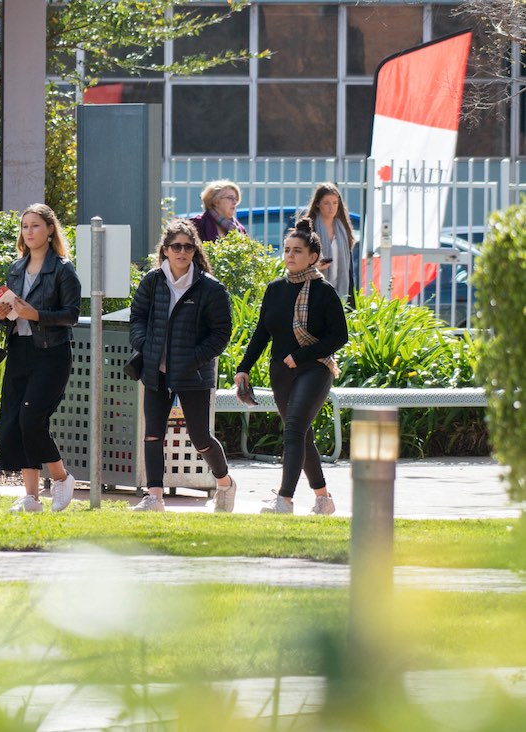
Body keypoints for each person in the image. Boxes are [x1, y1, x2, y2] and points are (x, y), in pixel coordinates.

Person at [234, 218, 348, 515]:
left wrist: (302, 355)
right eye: (287, 250)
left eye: (297, 250)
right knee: (301, 434)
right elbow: (262, 332)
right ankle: (323, 499)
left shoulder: (324, 291)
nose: (290, 255)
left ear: (313, 256)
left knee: (295, 428)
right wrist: (244, 367)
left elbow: (340, 336)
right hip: (281, 372)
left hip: (315, 369)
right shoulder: (275, 289)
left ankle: (284, 500)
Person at [128, 219, 237, 512]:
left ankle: (225, 482)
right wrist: (145, 344)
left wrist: (193, 358)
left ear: (195, 251)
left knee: (200, 438)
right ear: (165, 250)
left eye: (188, 247)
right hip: (156, 370)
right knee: (153, 434)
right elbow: (137, 318)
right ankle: (155, 497)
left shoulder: (210, 288)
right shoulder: (152, 281)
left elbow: (221, 333)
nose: (182, 252)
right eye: (176, 246)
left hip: (193, 373)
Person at [0, 203, 81, 513]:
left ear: (50, 230)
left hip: (51, 353)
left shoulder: (63, 269)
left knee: (31, 419)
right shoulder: (16, 268)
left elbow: (71, 315)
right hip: (19, 350)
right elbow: (10, 314)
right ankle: (30, 497)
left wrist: (37, 315)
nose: (29, 231)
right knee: (16, 421)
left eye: (35, 225)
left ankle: (61, 478)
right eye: (25, 226)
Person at [304, 183, 356, 306]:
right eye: (326, 203)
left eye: (335, 203)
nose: (331, 207)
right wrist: (314, 265)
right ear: (318, 204)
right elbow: (299, 260)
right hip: (315, 289)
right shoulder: (309, 228)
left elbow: (348, 267)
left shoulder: (343, 229)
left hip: (341, 289)